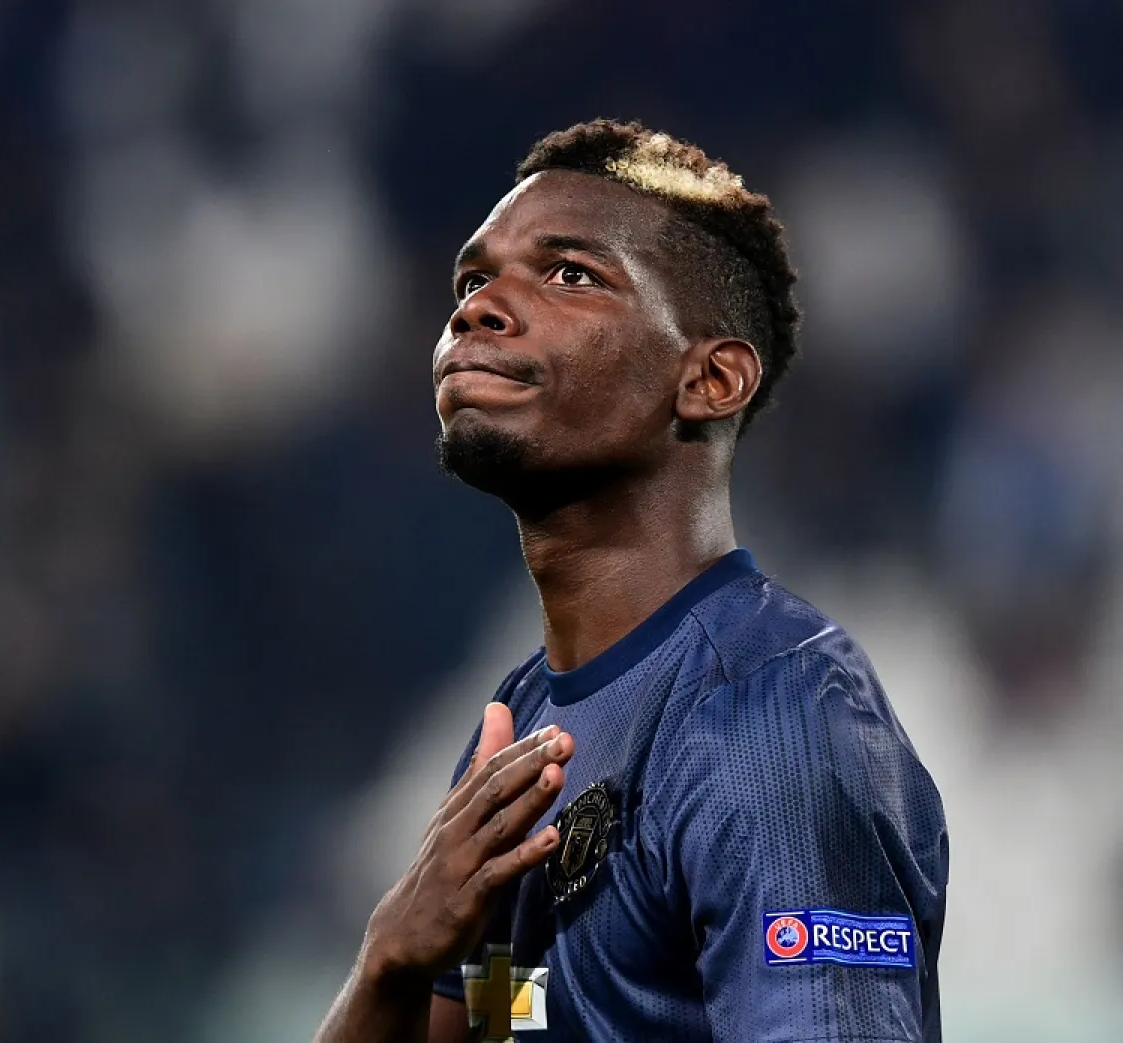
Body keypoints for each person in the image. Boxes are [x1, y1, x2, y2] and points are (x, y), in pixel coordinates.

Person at [313, 119, 948, 1042]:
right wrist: (391, 961)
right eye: (473, 279)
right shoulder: (521, 726)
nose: (478, 307)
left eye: (570, 274)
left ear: (712, 379)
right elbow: (508, 1026)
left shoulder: (775, 717)